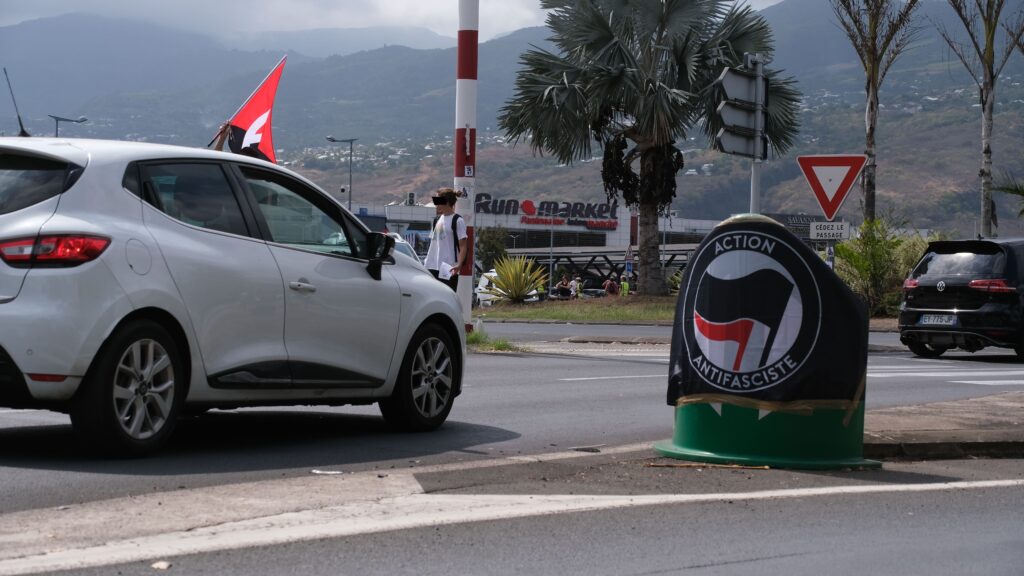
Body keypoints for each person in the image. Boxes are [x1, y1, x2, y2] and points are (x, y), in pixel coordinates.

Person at [424, 188, 467, 291]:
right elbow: (433, 244)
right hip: (432, 266)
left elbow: (463, 245)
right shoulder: (437, 220)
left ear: (446, 202)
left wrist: (459, 264)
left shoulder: (457, 220)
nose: (436, 204)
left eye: (438, 201)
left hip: (448, 268)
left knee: (447, 299)